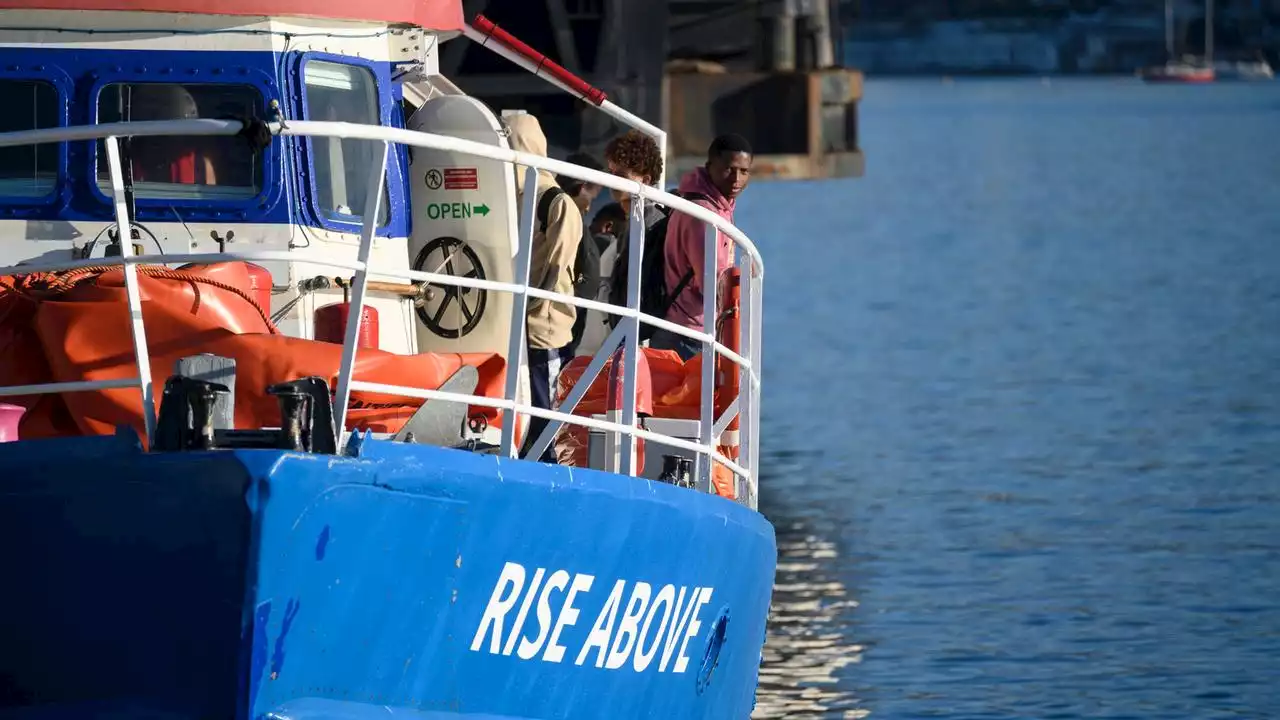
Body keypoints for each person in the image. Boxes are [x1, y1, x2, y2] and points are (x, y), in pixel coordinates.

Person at [505, 113, 584, 463]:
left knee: (545, 406)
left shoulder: (553, 201)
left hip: (543, 325)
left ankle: (546, 463)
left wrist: (533, 305)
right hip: (527, 321)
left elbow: (557, 264)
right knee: (534, 405)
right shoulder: (521, 197)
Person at [650, 133, 753, 361]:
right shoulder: (703, 216)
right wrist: (740, 281)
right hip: (686, 333)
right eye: (729, 169)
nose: (736, 179)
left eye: (744, 172)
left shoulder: (712, 205)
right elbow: (711, 284)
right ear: (710, 167)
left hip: (679, 326)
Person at [602, 130, 665, 313]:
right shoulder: (634, 220)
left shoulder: (651, 223)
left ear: (645, 180)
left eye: (620, 175)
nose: (612, 181)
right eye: (610, 172)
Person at [556, 152, 606, 355]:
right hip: (563, 317)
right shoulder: (562, 217)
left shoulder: (571, 218)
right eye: (592, 197)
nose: (590, 207)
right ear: (582, 186)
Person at [574, 202, 627, 357]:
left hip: (583, 343)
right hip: (604, 344)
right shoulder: (613, 249)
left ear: (607, 226)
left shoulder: (596, 244)